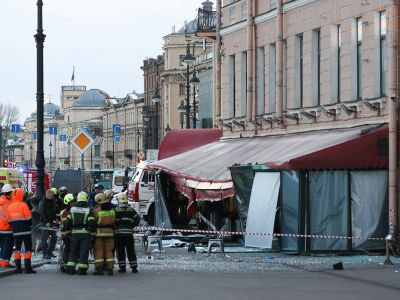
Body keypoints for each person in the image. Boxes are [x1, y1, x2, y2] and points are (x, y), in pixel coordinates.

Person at [64, 191, 96, 275]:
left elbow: (67, 222)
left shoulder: (73, 209)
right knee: (83, 251)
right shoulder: (88, 210)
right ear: (86, 199)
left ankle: (71, 268)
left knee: (73, 250)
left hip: (74, 233)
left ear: (78, 199)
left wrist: (67, 232)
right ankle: (82, 269)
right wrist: (92, 232)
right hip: (85, 234)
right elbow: (92, 223)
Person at [6, 188, 36, 274]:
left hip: (16, 231)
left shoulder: (10, 206)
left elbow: (9, 220)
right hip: (26, 231)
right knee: (27, 250)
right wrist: (29, 225)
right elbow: (29, 218)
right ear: (21, 195)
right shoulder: (24, 205)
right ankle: (27, 268)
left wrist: (15, 227)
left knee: (17, 250)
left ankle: (18, 268)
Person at [114, 192, 140, 273]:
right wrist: (132, 225)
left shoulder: (115, 210)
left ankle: (122, 267)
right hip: (129, 234)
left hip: (119, 234)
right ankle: (134, 267)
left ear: (118, 200)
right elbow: (137, 219)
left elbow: (113, 220)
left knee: (120, 251)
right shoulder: (131, 209)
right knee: (131, 250)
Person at [93, 193, 116, 276]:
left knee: (99, 250)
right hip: (110, 233)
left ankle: (99, 268)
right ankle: (110, 268)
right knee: (109, 250)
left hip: (99, 233)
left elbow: (93, 221)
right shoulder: (112, 210)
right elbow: (114, 222)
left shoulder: (96, 210)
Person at [59, 193, 76, 273]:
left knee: (69, 249)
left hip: (70, 233)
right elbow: (67, 223)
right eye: (72, 202)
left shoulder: (69, 211)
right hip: (67, 234)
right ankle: (66, 265)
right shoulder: (65, 212)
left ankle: (67, 265)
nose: (74, 203)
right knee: (68, 249)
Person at [39, 189, 58, 259]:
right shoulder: (43, 202)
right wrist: (46, 221)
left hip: (51, 221)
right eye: (52, 196)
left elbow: (53, 211)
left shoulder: (52, 201)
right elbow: (41, 212)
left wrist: (55, 218)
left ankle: (50, 252)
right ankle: (45, 253)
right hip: (44, 222)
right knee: (45, 237)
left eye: (53, 196)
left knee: (54, 237)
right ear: (47, 194)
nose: (53, 197)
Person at [0, 184, 14, 268]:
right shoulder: (10, 203)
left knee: (2, 247)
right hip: (8, 228)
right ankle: (5, 263)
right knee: (7, 247)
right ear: (9, 193)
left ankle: (1, 262)